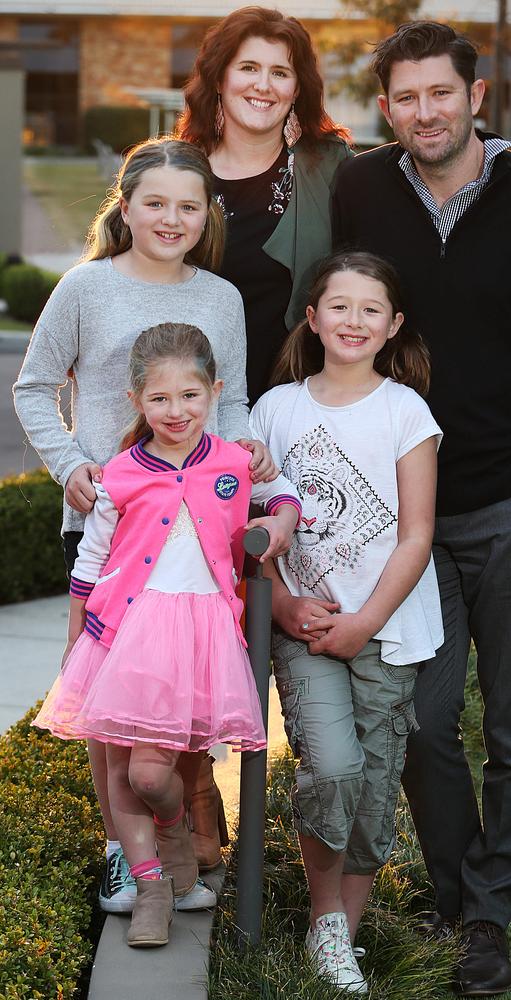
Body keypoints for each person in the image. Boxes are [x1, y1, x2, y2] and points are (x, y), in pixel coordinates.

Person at [331, 20, 511, 997]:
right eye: (405, 97)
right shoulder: (361, 189)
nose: (424, 112)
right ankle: (462, 894)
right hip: (398, 511)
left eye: (439, 93)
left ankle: (486, 915)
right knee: (419, 719)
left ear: (474, 97)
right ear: (386, 108)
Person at [13, 136, 276, 915]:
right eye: (154, 203)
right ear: (124, 207)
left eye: (187, 206)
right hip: (111, 518)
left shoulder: (220, 299)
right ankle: (121, 855)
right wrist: (72, 468)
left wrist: (248, 444)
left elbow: (228, 403)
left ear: (207, 215)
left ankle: (184, 832)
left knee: (182, 687)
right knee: (109, 700)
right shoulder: (87, 288)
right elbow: (34, 387)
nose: (171, 218)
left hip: (196, 530)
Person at [32, 322, 302, 947]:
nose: (175, 411)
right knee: (120, 771)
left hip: (199, 635)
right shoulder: (122, 473)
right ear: (136, 402)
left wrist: (282, 519)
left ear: (215, 392)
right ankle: (153, 883)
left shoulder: (236, 462)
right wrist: (78, 642)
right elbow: (91, 561)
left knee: (152, 776)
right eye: (159, 399)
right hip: (122, 632)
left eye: (190, 396)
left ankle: (177, 833)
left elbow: (283, 495)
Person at [251, 251, 443, 993]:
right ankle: (325, 917)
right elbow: (257, 521)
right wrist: (285, 601)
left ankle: (339, 940)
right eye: (339, 306)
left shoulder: (405, 411)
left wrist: (365, 621)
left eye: (371, 310)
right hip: (304, 630)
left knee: (372, 787)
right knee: (331, 768)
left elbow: (416, 534)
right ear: (312, 317)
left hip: (386, 631)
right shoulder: (276, 410)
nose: (354, 321)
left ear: (393, 325)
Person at [177, 5, 353, 404]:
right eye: (248, 68)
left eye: (280, 73)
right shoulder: (178, 171)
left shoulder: (328, 167)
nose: (263, 85)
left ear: (297, 89)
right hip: (189, 412)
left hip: (299, 405)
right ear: (220, 77)